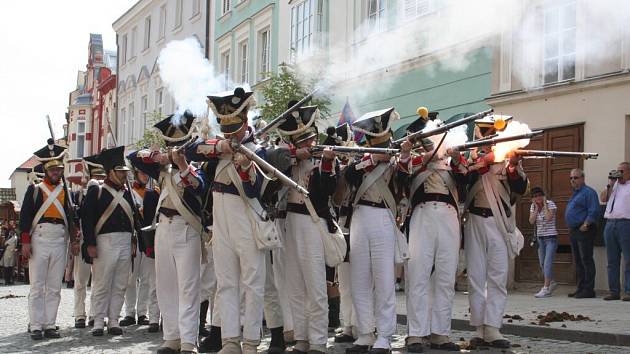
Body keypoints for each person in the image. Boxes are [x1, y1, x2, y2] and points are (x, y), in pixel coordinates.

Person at [185, 87, 265, 354]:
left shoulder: (258, 150)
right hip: (221, 220)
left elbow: (257, 191)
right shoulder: (218, 149)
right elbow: (190, 151)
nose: (231, 133)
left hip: (247, 219)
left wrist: (245, 167)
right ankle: (230, 340)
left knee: (252, 283)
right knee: (226, 282)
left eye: (235, 128)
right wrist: (222, 146)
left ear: (245, 121)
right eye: (226, 128)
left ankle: (251, 341)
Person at [129, 111, 206, 354]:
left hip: (187, 228)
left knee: (188, 287)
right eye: (171, 146)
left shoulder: (197, 168)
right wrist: (157, 156)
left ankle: (188, 342)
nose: (174, 150)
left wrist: (182, 163)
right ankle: (171, 337)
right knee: (165, 286)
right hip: (163, 228)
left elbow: (198, 186)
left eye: (178, 146)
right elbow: (134, 157)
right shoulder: (161, 169)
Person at [344, 108, 409, 354]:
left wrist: (402, 156)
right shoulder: (360, 159)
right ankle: (364, 332)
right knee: (359, 279)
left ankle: (384, 335)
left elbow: (404, 180)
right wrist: (371, 159)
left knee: (383, 279)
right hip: (360, 216)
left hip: (383, 215)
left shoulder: (395, 160)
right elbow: (348, 177)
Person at [275, 101, 337, 354]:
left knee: (315, 284)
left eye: (309, 140)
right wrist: (292, 156)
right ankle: (301, 337)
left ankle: (319, 340)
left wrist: (325, 163)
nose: (307, 145)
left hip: (313, 221)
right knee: (295, 284)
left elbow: (326, 192)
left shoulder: (324, 160)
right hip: (290, 221)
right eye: (301, 142)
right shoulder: (285, 158)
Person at [403, 111, 466, 352]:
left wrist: (457, 158)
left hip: (449, 215)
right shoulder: (414, 160)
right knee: (418, 274)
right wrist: (419, 156)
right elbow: (401, 178)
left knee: (446, 276)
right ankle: (416, 333)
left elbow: (466, 179)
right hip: (423, 212)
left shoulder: (451, 159)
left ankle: (441, 332)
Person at [462, 115, 528, 349]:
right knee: (476, 277)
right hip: (475, 219)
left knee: (498, 277)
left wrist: (512, 166)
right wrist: (482, 164)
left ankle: (493, 326)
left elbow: (520, 188)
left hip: (499, 221)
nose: (490, 141)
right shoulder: (469, 158)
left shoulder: (507, 155)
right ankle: (479, 327)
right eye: (487, 136)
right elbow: (462, 184)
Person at [19, 139, 79, 340]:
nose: (56, 172)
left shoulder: (67, 192)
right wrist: (26, 241)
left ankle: (50, 323)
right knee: (37, 285)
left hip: (60, 238)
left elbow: (71, 218)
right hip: (40, 237)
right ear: (46, 169)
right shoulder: (35, 189)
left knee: (54, 285)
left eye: (59, 169)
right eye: (53, 169)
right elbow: (25, 216)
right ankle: (36, 324)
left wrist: (75, 240)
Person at [82, 146, 137, 337]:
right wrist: (90, 243)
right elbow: (87, 219)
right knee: (102, 283)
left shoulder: (127, 192)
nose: (124, 175)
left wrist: (133, 241)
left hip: (124, 241)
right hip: (104, 241)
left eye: (125, 172)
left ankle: (114, 319)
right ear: (111, 172)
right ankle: (98, 320)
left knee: (121, 283)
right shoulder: (96, 190)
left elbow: (133, 219)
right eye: (121, 172)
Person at [120, 168, 158, 327]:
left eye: (146, 172)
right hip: (134, 239)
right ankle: (129, 312)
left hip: (148, 238)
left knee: (147, 279)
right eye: (142, 173)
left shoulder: (154, 192)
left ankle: (143, 313)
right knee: (130, 278)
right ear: (136, 174)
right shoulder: (127, 193)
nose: (145, 175)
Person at [73, 154, 105, 329]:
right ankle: (79, 314)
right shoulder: (79, 195)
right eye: (97, 177)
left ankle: (95, 313)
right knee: (81, 280)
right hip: (85, 238)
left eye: (102, 177)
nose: (100, 180)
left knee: (99, 280)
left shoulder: (107, 194)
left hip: (102, 240)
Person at [565, 168, 600, 299]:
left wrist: (586, 224)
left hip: (584, 230)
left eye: (576, 177)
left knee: (586, 260)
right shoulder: (575, 193)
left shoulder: (588, 192)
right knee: (578, 261)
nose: (573, 180)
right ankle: (581, 288)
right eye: (571, 178)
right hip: (574, 231)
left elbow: (594, 210)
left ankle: (589, 290)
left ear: (583, 178)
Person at [602, 162, 630, 301]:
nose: (619, 173)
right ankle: (614, 291)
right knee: (612, 261)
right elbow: (603, 199)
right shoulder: (614, 186)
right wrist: (610, 184)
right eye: (617, 171)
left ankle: (629, 291)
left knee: (628, 259)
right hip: (610, 223)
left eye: (621, 171)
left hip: (626, 223)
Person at [528, 187, 559, 298]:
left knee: (547, 263)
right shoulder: (533, 206)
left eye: (539, 195)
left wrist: (545, 205)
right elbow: (531, 221)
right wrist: (536, 208)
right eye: (535, 196)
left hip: (551, 238)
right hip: (540, 239)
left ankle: (545, 288)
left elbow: (549, 217)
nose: (538, 198)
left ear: (543, 195)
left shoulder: (550, 204)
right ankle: (552, 282)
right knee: (542, 263)